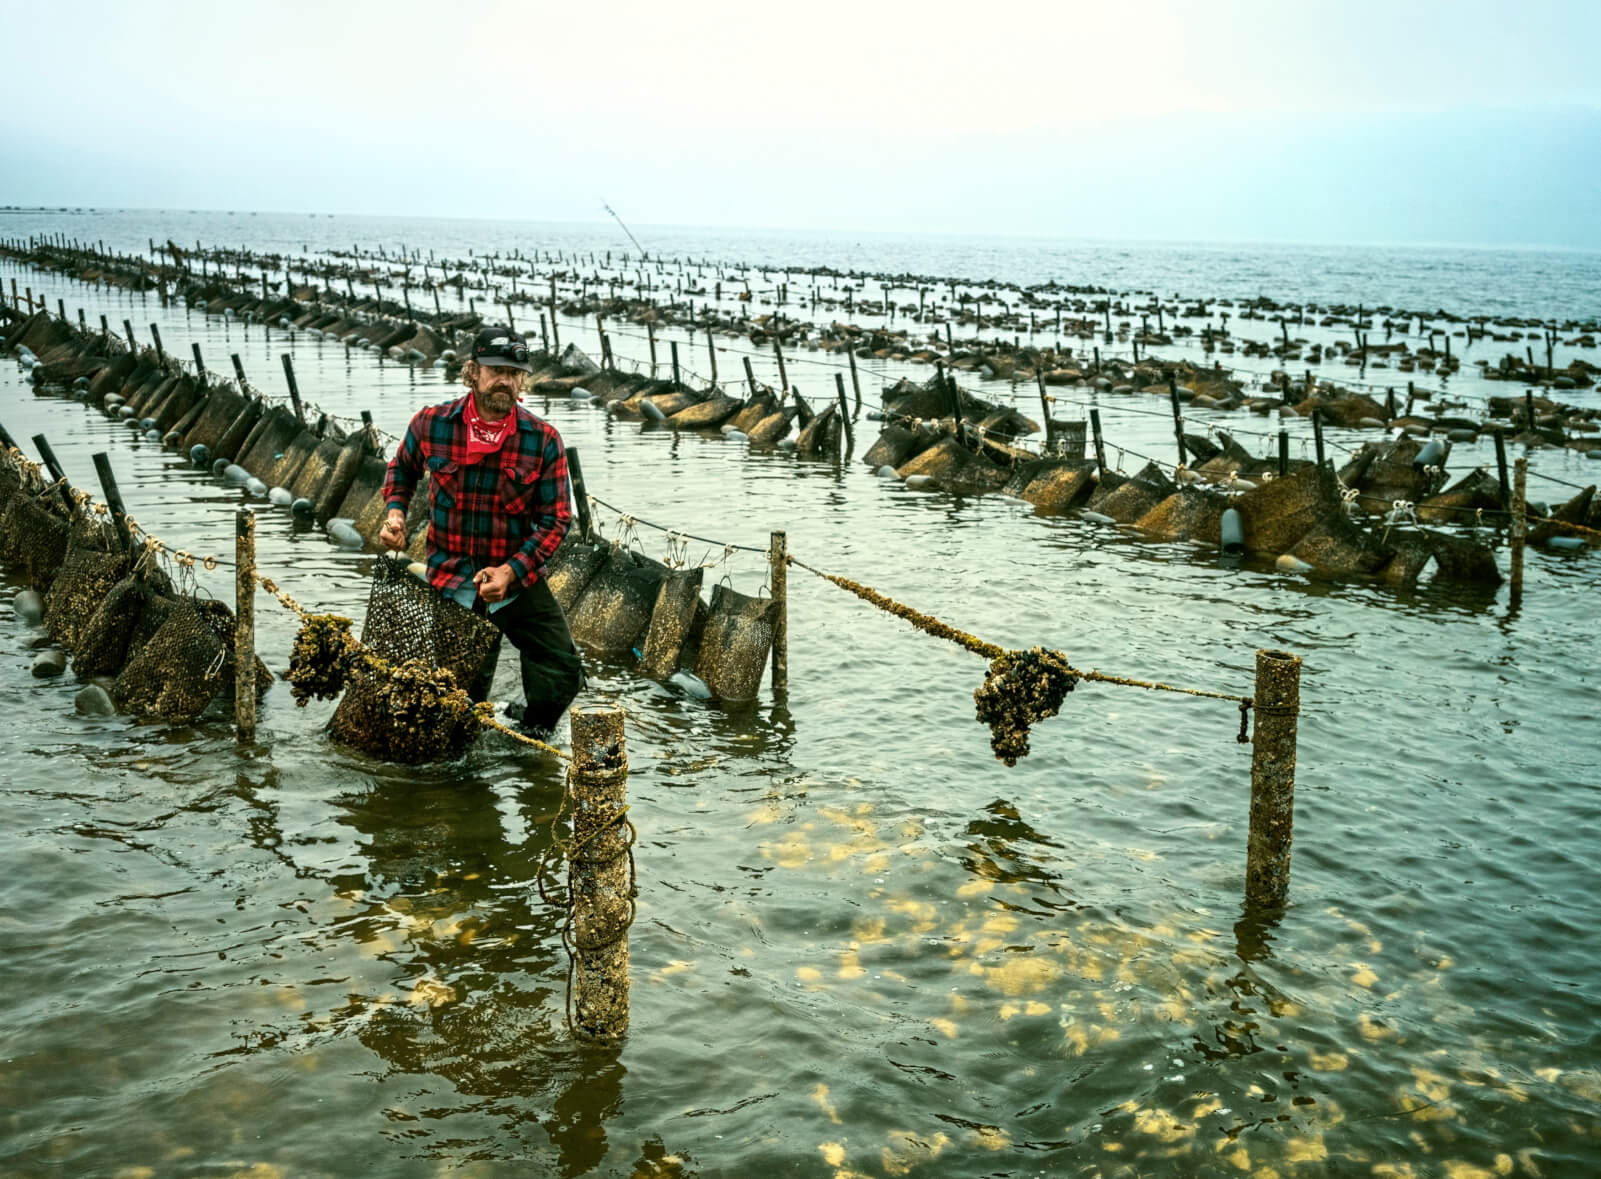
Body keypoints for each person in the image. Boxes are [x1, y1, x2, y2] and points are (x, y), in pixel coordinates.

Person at [379, 326, 582, 739]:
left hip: (515, 582)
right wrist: (396, 514)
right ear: (472, 372)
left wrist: (511, 571)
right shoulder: (432, 424)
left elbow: (557, 519)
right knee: (457, 699)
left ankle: (530, 738)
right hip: (453, 579)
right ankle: (466, 782)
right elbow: (401, 471)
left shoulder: (542, 440)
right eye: (495, 370)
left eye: (515, 372)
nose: (505, 380)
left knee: (563, 669)